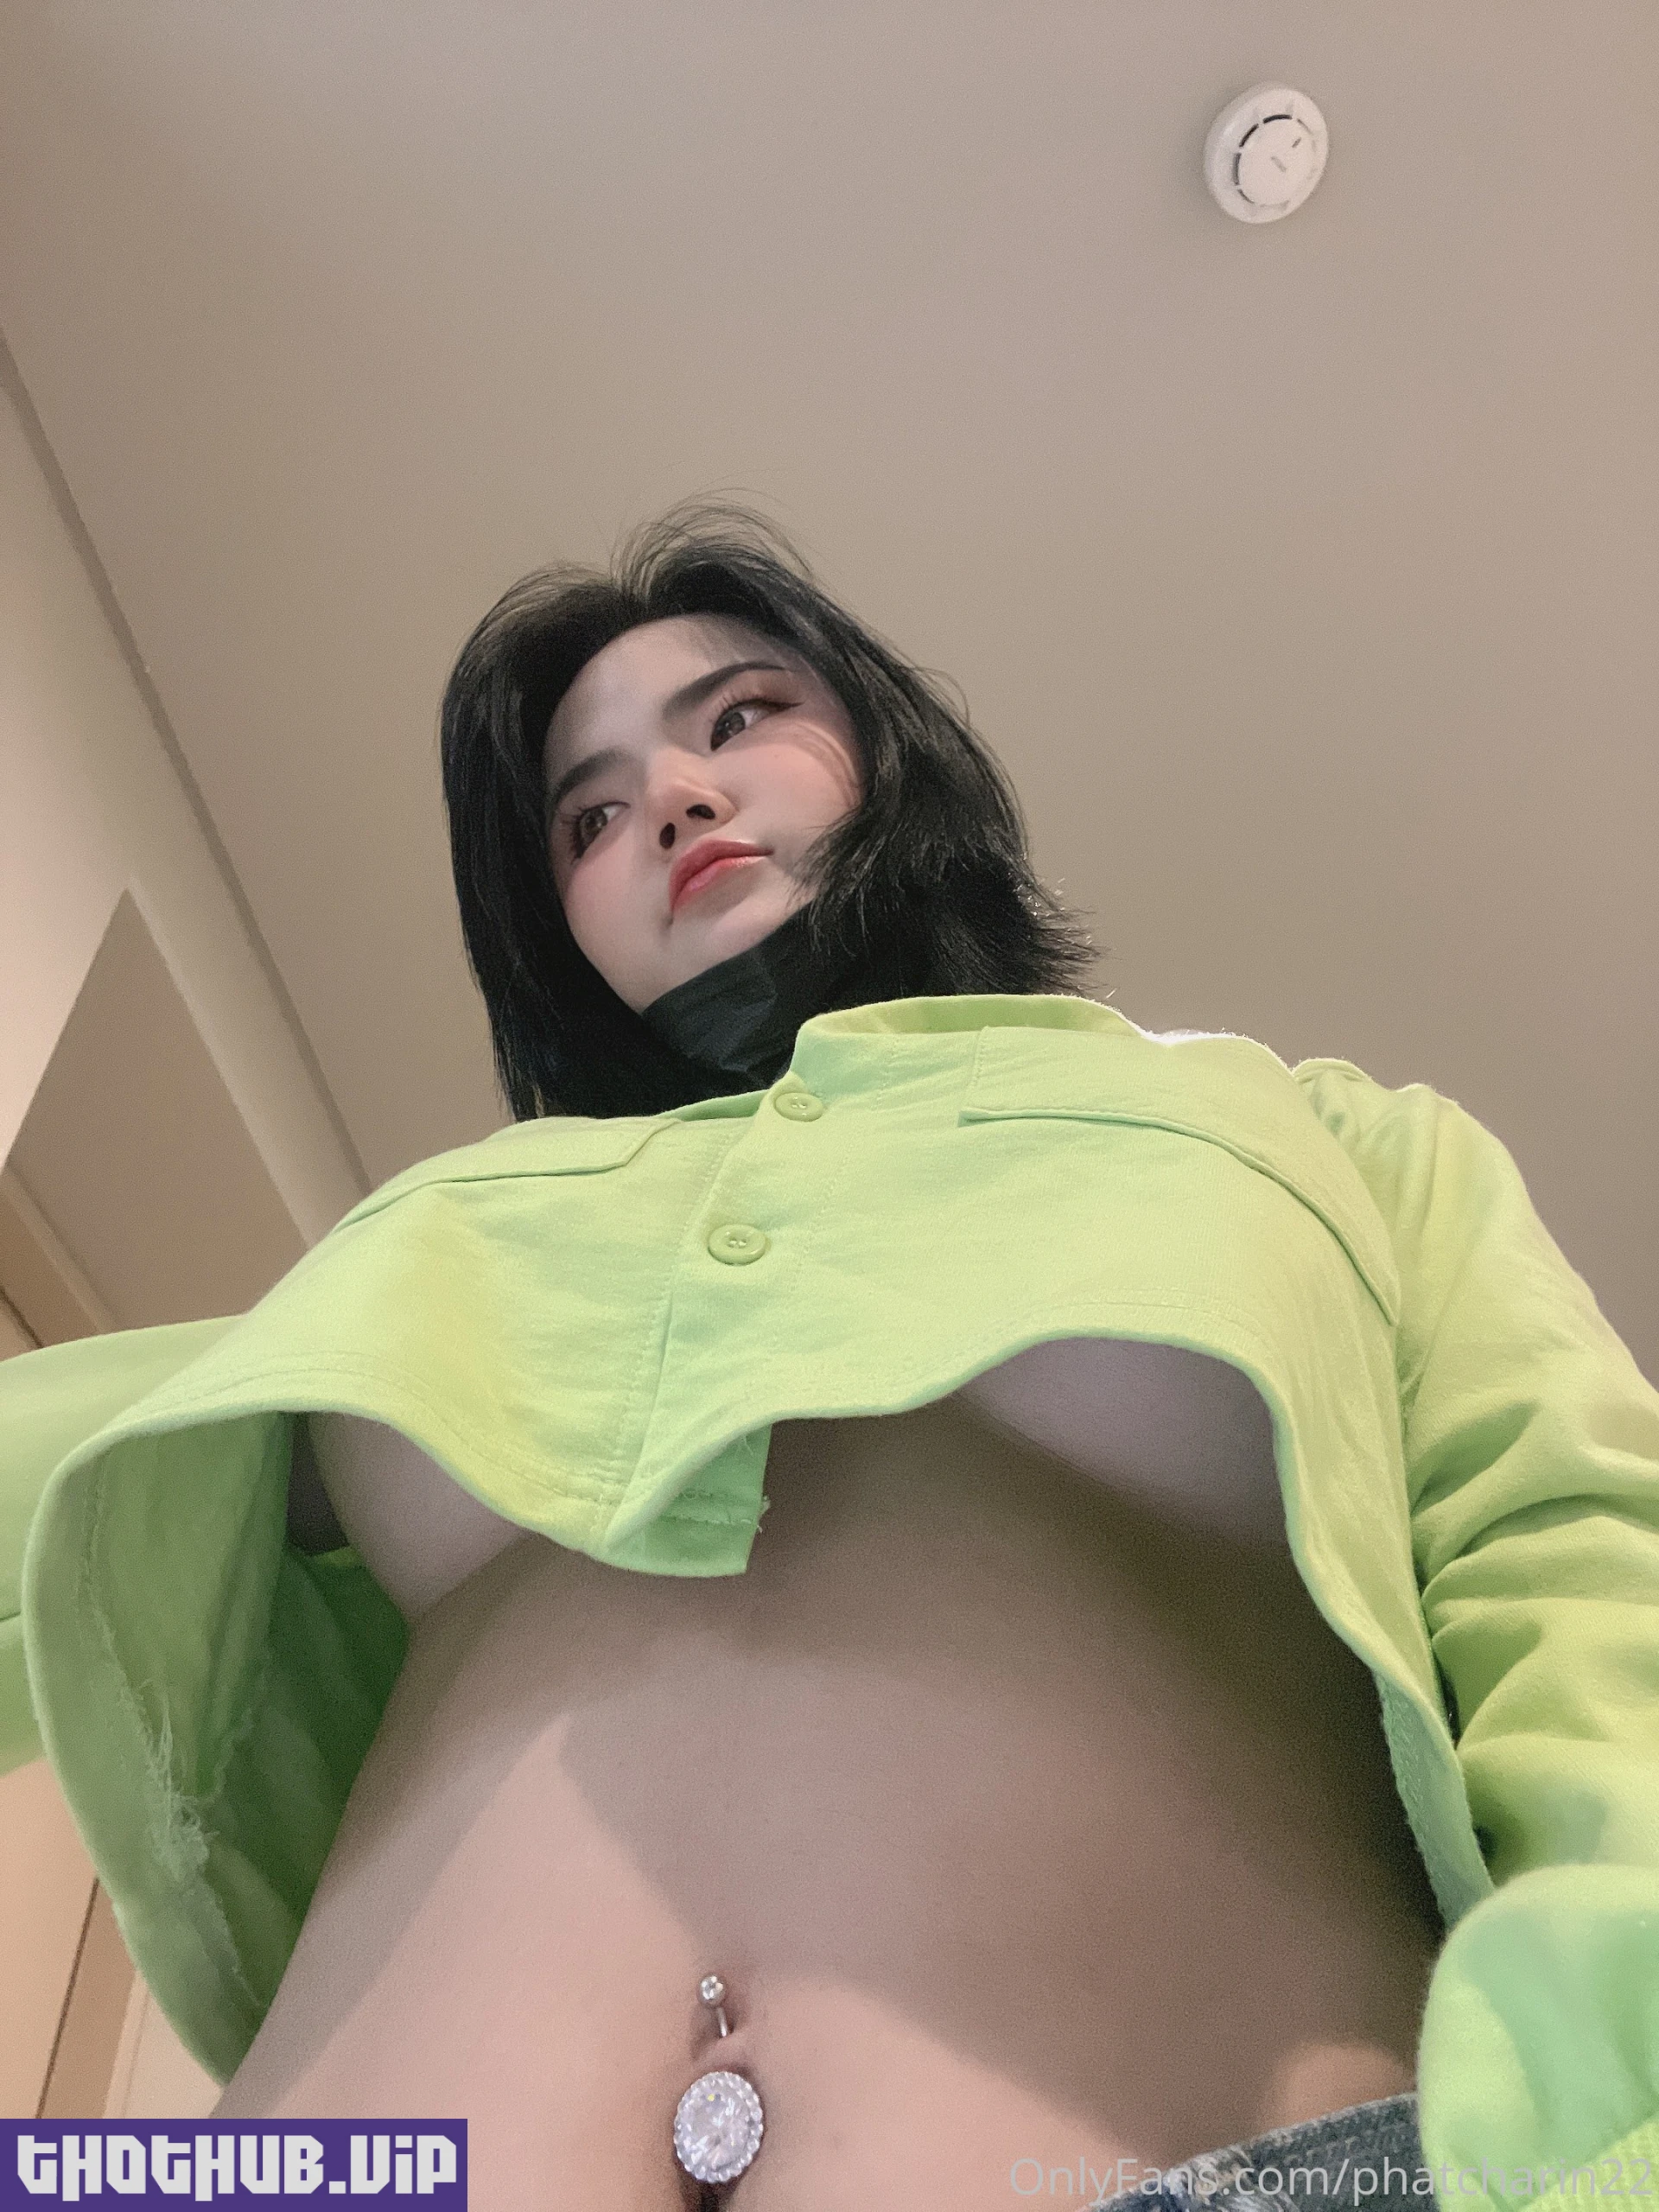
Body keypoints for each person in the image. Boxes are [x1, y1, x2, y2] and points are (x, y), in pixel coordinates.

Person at [3, 508, 1657, 2210]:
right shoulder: (439, 1235)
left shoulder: (1314, 1130)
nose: (671, 797)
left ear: (888, 753)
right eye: (588, 813)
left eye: (738, 717)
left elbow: (1580, 1583)